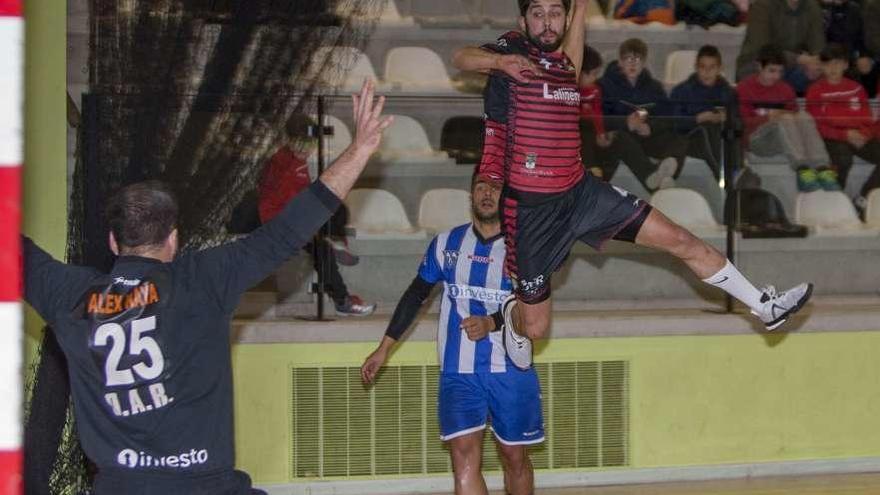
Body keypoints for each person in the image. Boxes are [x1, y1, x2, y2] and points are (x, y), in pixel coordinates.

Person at [22, 80, 392, 495]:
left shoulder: (68, 293)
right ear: (174, 238)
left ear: (112, 241)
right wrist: (359, 148)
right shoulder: (204, 279)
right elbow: (289, 230)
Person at [452, 0, 813, 369]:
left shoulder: (567, 67)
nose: (547, 22)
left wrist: (578, 9)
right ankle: (512, 315)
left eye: (555, 14)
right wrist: (499, 62)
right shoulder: (513, 48)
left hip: (582, 194)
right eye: (538, 13)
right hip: (531, 211)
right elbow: (462, 58)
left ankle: (764, 306)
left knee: (680, 240)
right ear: (523, 20)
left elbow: (577, 27)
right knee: (536, 328)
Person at [361, 174, 542, 495]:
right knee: (463, 457)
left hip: (511, 371)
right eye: (481, 186)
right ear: (471, 194)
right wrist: (383, 348)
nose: (487, 193)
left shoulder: (525, 250)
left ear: (508, 196)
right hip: (458, 371)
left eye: (496, 187)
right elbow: (415, 294)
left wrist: (491, 323)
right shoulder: (446, 243)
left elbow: (532, 310)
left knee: (514, 456)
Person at [258, 112, 375, 316]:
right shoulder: (281, 163)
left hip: (297, 219)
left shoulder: (298, 161)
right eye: (302, 144)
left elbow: (304, 197)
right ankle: (343, 300)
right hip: (281, 223)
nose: (308, 150)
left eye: (310, 145)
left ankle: (334, 244)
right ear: (289, 140)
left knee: (335, 208)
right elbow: (284, 203)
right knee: (322, 248)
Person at [737, 44, 839, 192]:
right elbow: (741, 122)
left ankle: (822, 167)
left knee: (803, 116)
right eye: (771, 71)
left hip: (782, 138)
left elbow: (796, 117)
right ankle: (802, 169)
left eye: (780, 71)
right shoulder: (744, 88)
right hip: (756, 140)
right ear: (759, 67)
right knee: (785, 119)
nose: (776, 76)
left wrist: (782, 116)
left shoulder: (786, 89)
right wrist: (768, 118)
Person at [599, 38, 690, 191]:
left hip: (646, 137)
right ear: (620, 62)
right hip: (622, 138)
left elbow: (668, 117)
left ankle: (667, 168)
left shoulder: (653, 86)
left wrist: (650, 127)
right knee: (622, 138)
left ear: (644, 62)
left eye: (638, 59)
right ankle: (653, 178)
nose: (633, 64)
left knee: (681, 136)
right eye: (628, 59)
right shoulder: (604, 85)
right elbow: (600, 118)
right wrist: (625, 123)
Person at [806, 43, 880, 216]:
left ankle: (863, 200)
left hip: (858, 135)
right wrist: (843, 134)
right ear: (822, 66)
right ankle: (833, 206)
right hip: (832, 137)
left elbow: (866, 118)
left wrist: (864, 134)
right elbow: (815, 125)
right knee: (842, 160)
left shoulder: (856, 88)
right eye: (828, 64)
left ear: (846, 65)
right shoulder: (815, 91)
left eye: (837, 63)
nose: (833, 68)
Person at [671, 45, 736, 181]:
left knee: (726, 131)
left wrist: (726, 118)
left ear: (719, 69)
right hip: (689, 140)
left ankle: (731, 175)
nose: (707, 72)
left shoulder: (727, 92)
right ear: (696, 67)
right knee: (707, 127)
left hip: (719, 138)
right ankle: (726, 178)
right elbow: (674, 122)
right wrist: (696, 119)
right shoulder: (682, 91)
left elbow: (739, 121)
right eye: (702, 67)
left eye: (712, 67)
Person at [735, 0, 825, 95]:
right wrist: (800, 59)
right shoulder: (762, 6)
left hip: (795, 66)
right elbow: (763, 49)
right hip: (758, 63)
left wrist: (816, 65)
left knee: (826, 76)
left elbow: (818, 46)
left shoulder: (812, 6)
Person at [578, 45, 616, 180]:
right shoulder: (567, 90)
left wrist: (601, 132)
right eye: (593, 74)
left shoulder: (595, 90)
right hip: (576, 134)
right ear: (580, 72)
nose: (595, 78)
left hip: (592, 132)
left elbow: (597, 113)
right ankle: (591, 167)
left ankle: (601, 179)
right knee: (585, 128)